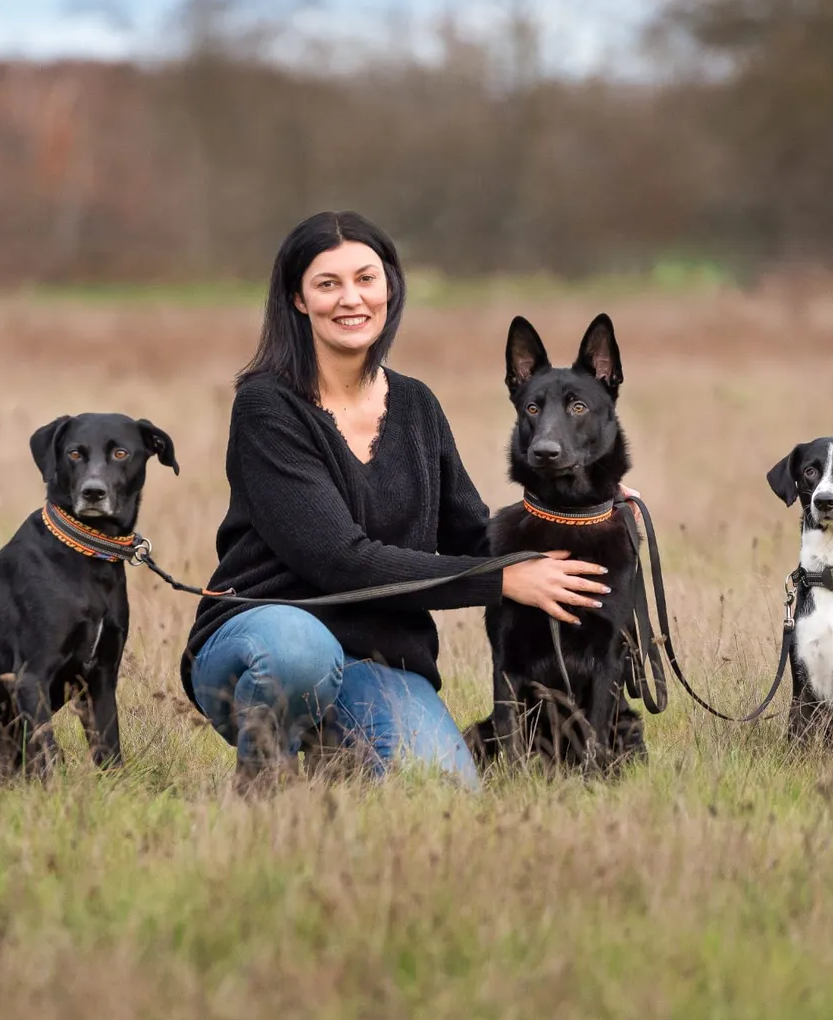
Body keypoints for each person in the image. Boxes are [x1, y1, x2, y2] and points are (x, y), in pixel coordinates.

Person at [180, 210, 620, 789]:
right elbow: (340, 560)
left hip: (379, 658)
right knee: (298, 653)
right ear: (298, 299)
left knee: (443, 790)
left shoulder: (415, 405)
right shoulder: (267, 408)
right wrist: (505, 579)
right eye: (328, 284)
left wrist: (581, 507)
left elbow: (471, 537)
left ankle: (335, 755)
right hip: (264, 636)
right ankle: (266, 790)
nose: (351, 299)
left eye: (366, 278)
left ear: (389, 286)